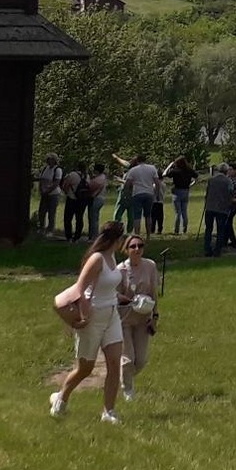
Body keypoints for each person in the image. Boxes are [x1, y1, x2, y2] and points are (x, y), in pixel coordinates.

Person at [50, 223, 129, 424]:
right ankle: (61, 397)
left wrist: (123, 297)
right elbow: (80, 289)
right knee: (85, 368)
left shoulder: (112, 257)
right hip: (93, 318)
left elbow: (107, 287)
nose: (123, 243)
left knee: (114, 364)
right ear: (115, 240)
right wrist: (82, 317)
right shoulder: (97, 259)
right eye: (121, 239)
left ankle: (108, 412)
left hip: (111, 316)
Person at [117, 234, 160, 401]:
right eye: (133, 246)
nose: (137, 249)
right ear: (126, 250)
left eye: (140, 246)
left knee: (140, 360)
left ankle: (122, 375)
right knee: (128, 359)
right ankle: (127, 390)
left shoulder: (150, 266)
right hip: (124, 319)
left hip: (143, 319)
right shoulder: (121, 270)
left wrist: (155, 315)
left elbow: (153, 293)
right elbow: (114, 294)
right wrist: (127, 299)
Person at [201, 161, 236, 257]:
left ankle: (207, 249)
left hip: (210, 207)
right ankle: (217, 250)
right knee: (220, 230)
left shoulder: (211, 179)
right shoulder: (228, 181)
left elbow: (207, 192)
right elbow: (230, 193)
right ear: (226, 171)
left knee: (208, 229)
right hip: (222, 208)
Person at [120, 154, 161, 233]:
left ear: (137, 161)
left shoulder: (133, 170)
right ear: (145, 160)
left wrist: (125, 194)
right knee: (148, 216)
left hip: (137, 193)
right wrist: (157, 194)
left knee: (137, 216)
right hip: (149, 193)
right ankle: (148, 234)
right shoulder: (152, 168)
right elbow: (157, 182)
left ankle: (137, 234)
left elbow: (127, 183)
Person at [164, 154, 197, 237]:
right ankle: (184, 228)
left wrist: (169, 166)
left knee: (177, 212)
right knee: (184, 211)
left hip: (177, 191)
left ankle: (176, 230)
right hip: (186, 191)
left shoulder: (175, 171)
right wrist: (191, 184)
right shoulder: (189, 170)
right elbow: (196, 177)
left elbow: (164, 174)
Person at [34, 154, 64, 236]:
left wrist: (48, 190)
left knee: (51, 213)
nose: (50, 161)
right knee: (42, 212)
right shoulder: (45, 168)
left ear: (55, 160)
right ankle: (41, 228)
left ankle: (50, 230)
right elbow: (41, 180)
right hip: (44, 193)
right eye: (48, 159)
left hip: (53, 194)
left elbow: (56, 182)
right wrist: (41, 189)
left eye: (51, 159)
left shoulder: (57, 170)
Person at [60, 163, 86, 241]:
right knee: (79, 218)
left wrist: (66, 193)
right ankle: (77, 236)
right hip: (82, 200)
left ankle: (69, 236)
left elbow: (65, 186)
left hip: (72, 198)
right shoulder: (86, 176)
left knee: (68, 218)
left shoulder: (72, 175)